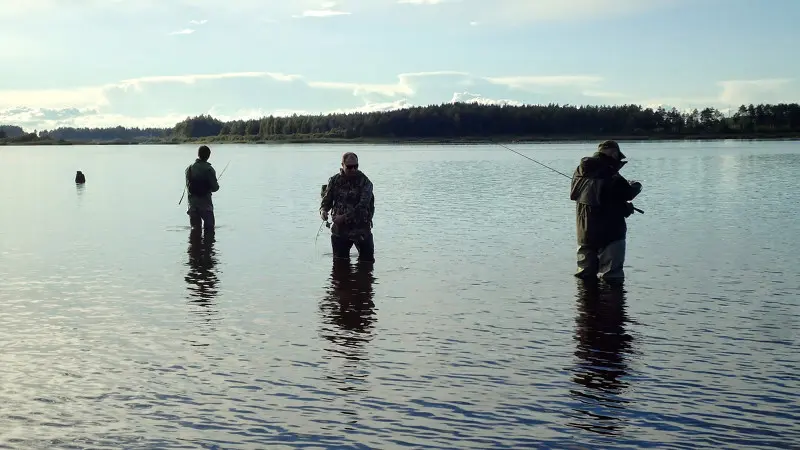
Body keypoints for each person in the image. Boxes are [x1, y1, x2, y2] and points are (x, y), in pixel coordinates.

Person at [569, 140, 642, 280]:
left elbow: (597, 198)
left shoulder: (579, 171)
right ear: (614, 153)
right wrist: (636, 186)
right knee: (611, 278)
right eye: (617, 156)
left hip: (584, 234)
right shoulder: (610, 172)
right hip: (611, 234)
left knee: (584, 276)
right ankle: (610, 302)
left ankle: (586, 301)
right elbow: (627, 194)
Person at [319, 152, 375, 262]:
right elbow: (327, 201)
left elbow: (362, 206)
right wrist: (323, 211)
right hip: (340, 231)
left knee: (367, 264)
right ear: (342, 165)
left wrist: (344, 217)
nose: (353, 169)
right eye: (349, 167)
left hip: (361, 229)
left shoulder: (365, 182)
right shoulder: (334, 181)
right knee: (339, 264)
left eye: (356, 166)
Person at [185, 145, 220, 232]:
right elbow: (215, 188)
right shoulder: (209, 169)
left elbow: (188, 186)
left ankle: (195, 245)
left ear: (198, 154)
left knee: (195, 230)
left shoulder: (189, 169)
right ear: (208, 155)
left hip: (192, 204)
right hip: (205, 204)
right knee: (210, 230)